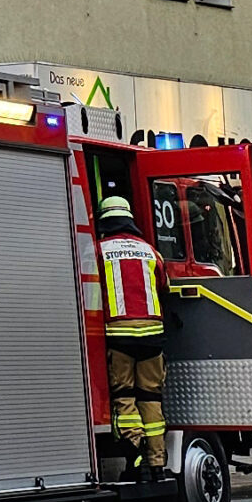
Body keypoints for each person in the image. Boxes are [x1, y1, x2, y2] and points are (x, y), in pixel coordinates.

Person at [96, 194, 169, 474]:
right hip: (153, 338)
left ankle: (134, 454)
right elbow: (164, 286)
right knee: (151, 398)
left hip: (119, 337)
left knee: (124, 395)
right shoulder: (150, 251)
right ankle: (157, 461)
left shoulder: (98, 250)